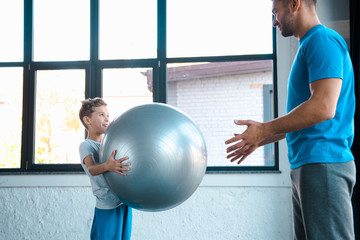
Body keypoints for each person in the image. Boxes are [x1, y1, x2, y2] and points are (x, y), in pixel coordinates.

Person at [225, 0, 356, 239]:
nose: (274, 21)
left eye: (275, 12)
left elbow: (323, 108)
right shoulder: (309, 45)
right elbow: (306, 118)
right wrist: (261, 137)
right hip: (308, 165)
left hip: (323, 163)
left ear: (295, 4)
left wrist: (265, 129)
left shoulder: (322, 41)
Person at [79, 97, 132, 240]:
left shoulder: (107, 145)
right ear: (87, 120)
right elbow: (91, 169)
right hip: (107, 206)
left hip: (123, 203)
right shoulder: (86, 145)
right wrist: (108, 166)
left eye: (107, 115)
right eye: (101, 115)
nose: (106, 118)